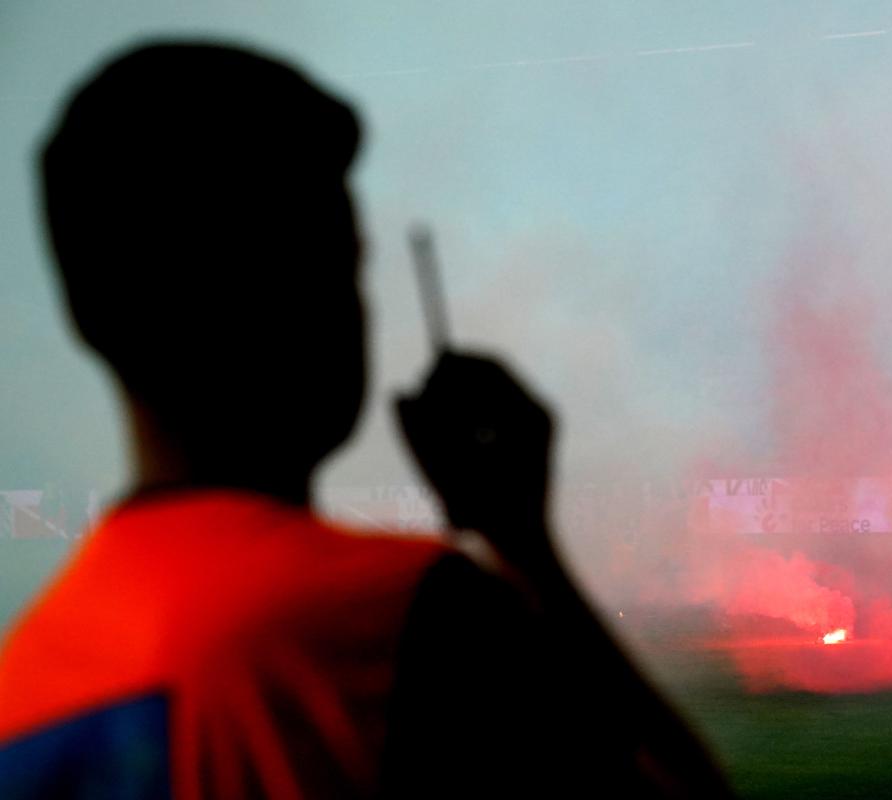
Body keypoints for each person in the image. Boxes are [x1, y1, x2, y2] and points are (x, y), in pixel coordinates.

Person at [0, 42, 731, 798]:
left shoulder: (21, 684)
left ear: (88, 318)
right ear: (299, 288)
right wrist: (529, 550)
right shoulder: (397, 619)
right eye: (343, 263)